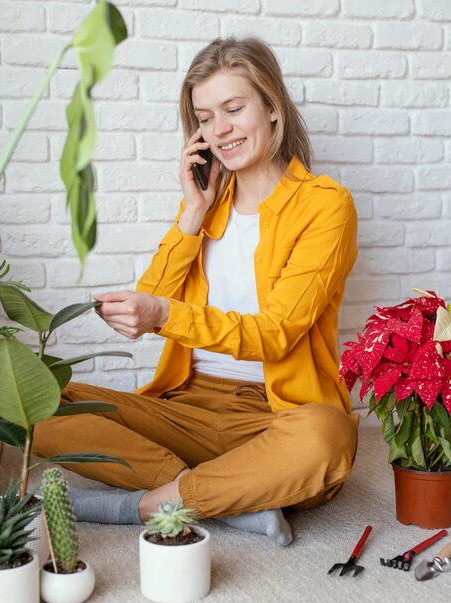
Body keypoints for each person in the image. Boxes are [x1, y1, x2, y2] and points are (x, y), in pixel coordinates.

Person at [33, 37, 359, 546]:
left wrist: (164, 312)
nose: (220, 129)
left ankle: (147, 503)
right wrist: (192, 213)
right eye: (205, 117)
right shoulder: (207, 206)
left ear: (272, 107)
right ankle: (230, 497)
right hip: (188, 407)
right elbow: (151, 304)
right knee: (43, 403)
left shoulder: (325, 205)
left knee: (330, 437)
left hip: (277, 415)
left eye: (234, 108)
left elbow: (275, 335)